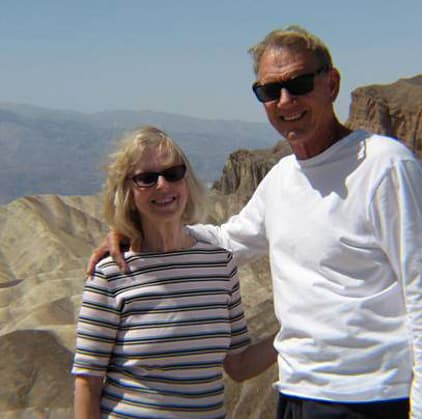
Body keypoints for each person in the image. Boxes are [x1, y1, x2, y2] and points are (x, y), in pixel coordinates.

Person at [89, 26, 422, 419]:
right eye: (269, 91)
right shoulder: (283, 177)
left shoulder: (384, 165)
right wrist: (138, 228)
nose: (285, 101)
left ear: (331, 83)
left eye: (299, 83)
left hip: (370, 398)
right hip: (296, 394)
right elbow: (226, 242)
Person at [74, 125, 276, 419]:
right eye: (146, 178)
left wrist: (295, 331)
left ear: (187, 180)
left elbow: (239, 366)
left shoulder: (220, 265)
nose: (162, 185)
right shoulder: (110, 274)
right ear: (127, 192)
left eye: (172, 173)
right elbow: (87, 383)